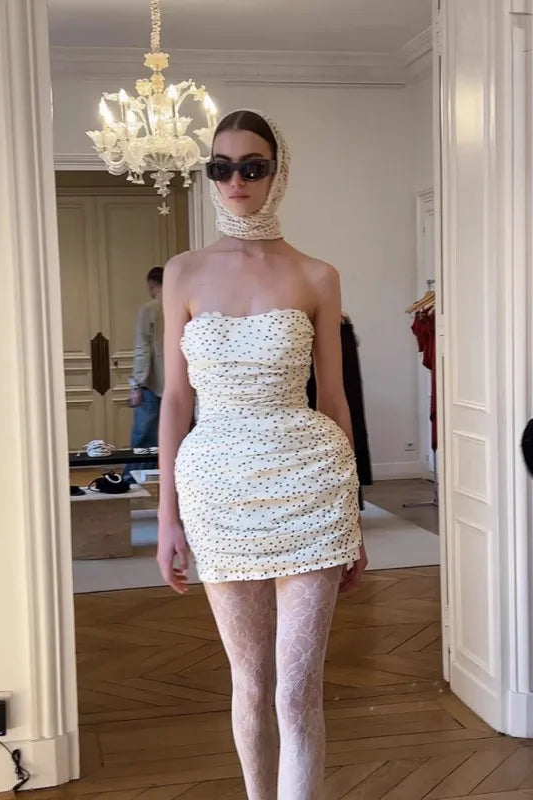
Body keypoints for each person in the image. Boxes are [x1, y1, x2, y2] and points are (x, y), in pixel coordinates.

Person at [157, 108, 367, 800]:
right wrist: (166, 520)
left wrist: (353, 516)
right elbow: (176, 402)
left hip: (310, 485)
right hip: (217, 492)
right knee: (249, 685)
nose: (236, 181)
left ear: (280, 173)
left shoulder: (317, 275)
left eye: (253, 166)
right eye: (221, 168)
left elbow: (334, 400)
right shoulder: (184, 274)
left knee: (297, 690)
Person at [126, 266, 164, 475]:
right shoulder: (184, 306)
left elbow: (142, 348)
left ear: (151, 286)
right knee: (179, 435)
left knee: (144, 438)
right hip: (182, 385)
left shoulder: (149, 309)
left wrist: (136, 384)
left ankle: (135, 479)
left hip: (151, 382)